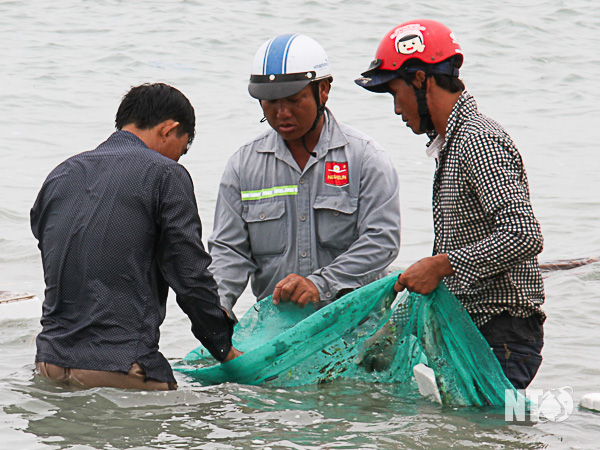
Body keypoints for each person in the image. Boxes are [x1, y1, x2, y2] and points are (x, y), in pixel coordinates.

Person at [355, 20, 545, 389]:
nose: (396, 109)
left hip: (500, 332)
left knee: (495, 433)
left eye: (396, 92)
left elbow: (524, 235)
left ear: (421, 79)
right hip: (477, 328)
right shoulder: (452, 144)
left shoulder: (479, 141)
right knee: (484, 437)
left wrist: (442, 264)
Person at [31, 83, 241, 391]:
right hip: (121, 367)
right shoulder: (166, 175)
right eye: (182, 149)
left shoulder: (60, 175)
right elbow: (190, 276)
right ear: (169, 129)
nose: (178, 159)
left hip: (49, 363)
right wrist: (223, 347)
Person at [209, 34, 401, 321]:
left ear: (323, 90)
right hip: (279, 332)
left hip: (357, 325)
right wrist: (216, 308)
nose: (282, 113)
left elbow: (382, 241)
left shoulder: (366, 158)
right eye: (270, 102)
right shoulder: (242, 166)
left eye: (294, 99)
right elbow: (228, 252)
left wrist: (320, 284)